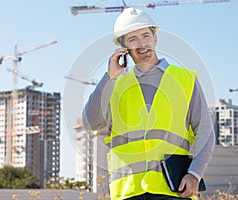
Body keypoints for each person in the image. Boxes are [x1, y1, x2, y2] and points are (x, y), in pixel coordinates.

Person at [83, 7, 215, 200]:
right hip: (128, 190)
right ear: (123, 47)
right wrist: (108, 77)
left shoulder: (184, 79)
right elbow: (90, 123)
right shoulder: (115, 84)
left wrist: (195, 174)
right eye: (132, 39)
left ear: (155, 38)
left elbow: (205, 131)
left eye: (145, 35)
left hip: (172, 189)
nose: (141, 44)